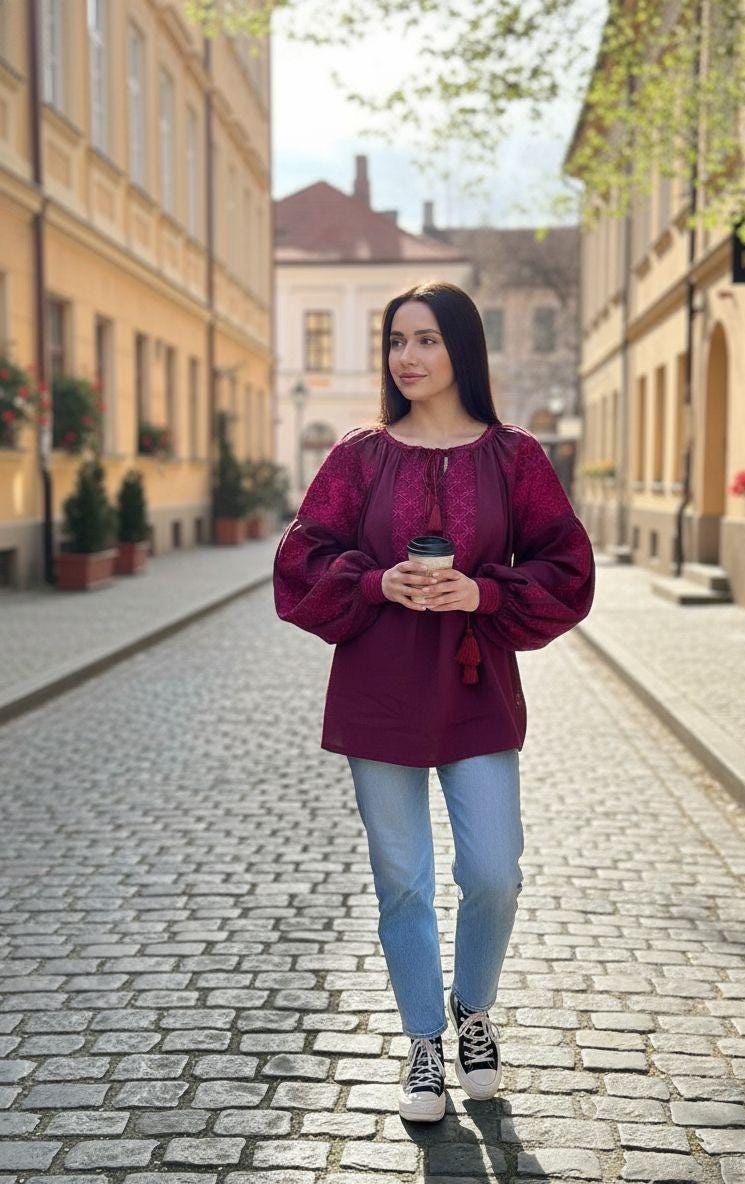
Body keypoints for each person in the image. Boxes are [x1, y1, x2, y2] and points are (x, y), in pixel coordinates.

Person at [274, 280, 595, 1123]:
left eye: (426, 340)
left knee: (494, 871)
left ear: (462, 350)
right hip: (378, 690)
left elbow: (568, 565)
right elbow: (300, 560)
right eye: (396, 341)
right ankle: (423, 1040)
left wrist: (482, 593)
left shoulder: (515, 456)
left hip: (476, 687)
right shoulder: (359, 456)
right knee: (403, 882)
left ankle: (472, 1010)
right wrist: (375, 581)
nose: (407, 358)